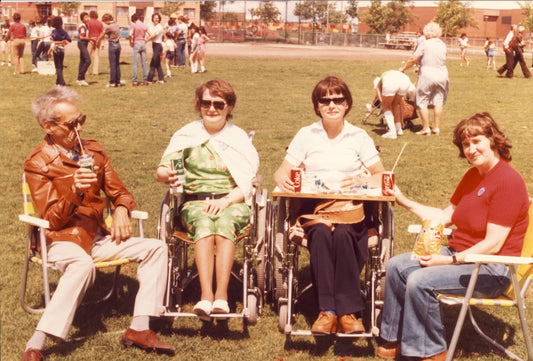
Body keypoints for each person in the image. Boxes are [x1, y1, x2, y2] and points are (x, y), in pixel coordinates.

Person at [21, 86, 175, 361]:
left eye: (82, 120)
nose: (79, 129)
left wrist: (122, 210)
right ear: (49, 126)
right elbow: (52, 219)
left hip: (96, 238)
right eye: (72, 124)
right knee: (82, 264)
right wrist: (75, 191)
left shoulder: (93, 151)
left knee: (156, 248)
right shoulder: (38, 163)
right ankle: (37, 343)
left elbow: (122, 193)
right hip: (60, 240)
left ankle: (140, 327)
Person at [377, 112, 529, 361]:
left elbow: (493, 245)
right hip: (462, 256)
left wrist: (448, 261)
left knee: (419, 280)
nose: (471, 149)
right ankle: (393, 339)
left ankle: (431, 352)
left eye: (476, 141)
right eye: (466, 144)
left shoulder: (508, 182)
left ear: (492, 140)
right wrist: (402, 200)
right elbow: (444, 215)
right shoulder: (473, 176)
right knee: (396, 266)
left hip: (493, 269)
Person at [273, 76, 386, 335]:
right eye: (325, 100)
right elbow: (281, 172)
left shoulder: (359, 136)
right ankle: (329, 312)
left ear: (347, 104)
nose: (332, 105)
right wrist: (285, 182)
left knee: (346, 234)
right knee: (322, 234)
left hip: (351, 207)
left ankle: (348, 313)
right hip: (316, 208)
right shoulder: (306, 134)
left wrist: (363, 178)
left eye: (338, 99)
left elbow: (380, 175)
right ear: (317, 105)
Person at [156, 79, 259, 320]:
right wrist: (167, 175)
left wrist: (225, 202)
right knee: (204, 223)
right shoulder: (187, 135)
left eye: (218, 104)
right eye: (205, 103)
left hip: (233, 201)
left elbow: (248, 181)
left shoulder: (238, 138)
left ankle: (221, 297)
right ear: (198, 105)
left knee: (223, 224)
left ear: (229, 107)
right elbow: (161, 170)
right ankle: (206, 296)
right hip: (194, 202)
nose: (211, 109)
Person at [400, 22, 448, 136]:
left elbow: (413, 59)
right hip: (442, 73)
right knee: (438, 100)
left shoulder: (425, 43)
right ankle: (436, 127)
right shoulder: (442, 44)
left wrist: (404, 68)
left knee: (422, 100)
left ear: (427, 32)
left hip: (427, 74)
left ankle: (425, 128)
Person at [372, 70, 416, 139]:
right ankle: (398, 129)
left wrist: (384, 104)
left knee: (387, 107)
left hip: (392, 82)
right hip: (405, 81)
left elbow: (378, 94)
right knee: (396, 104)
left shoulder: (379, 82)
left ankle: (392, 132)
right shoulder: (387, 75)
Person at [99, 13, 122, 87]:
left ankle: (112, 82)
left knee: (112, 64)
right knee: (117, 64)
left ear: (107, 20)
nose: (104, 23)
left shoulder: (108, 27)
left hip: (112, 44)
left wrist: (97, 41)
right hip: (118, 44)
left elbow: (102, 34)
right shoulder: (117, 25)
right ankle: (118, 82)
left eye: (104, 21)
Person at [49, 16, 71, 86]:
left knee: (57, 67)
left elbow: (51, 41)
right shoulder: (64, 31)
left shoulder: (54, 31)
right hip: (62, 50)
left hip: (56, 50)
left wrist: (58, 43)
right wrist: (62, 42)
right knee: (60, 66)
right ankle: (58, 81)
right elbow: (69, 40)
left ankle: (62, 82)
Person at [130, 13, 149, 86]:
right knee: (144, 63)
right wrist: (146, 40)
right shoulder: (144, 25)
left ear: (134, 20)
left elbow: (130, 34)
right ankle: (145, 80)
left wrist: (130, 42)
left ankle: (134, 81)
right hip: (143, 43)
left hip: (136, 43)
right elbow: (150, 33)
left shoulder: (133, 25)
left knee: (135, 63)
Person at [146, 13, 165, 84]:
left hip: (158, 45)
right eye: (155, 18)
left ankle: (149, 80)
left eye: (157, 18)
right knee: (157, 63)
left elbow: (153, 35)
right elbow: (149, 33)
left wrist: (146, 40)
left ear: (159, 19)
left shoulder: (159, 27)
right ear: (152, 19)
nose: (156, 19)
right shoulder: (152, 26)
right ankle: (161, 79)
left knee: (153, 63)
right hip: (154, 45)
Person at [76, 12, 93, 86]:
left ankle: (79, 79)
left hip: (84, 43)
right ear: (82, 19)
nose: (87, 18)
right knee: (88, 60)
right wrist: (91, 38)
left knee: (82, 61)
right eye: (85, 17)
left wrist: (90, 40)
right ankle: (81, 77)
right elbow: (82, 37)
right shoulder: (82, 26)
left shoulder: (86, 25)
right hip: (81, 44)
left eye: (88, 17)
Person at [87, 10, 103, 76]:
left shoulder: (88, 22)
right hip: (98, 40)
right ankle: (95, 71)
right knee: (96, 56)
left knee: (88, 56)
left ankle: (86, 71)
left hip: (90, 39)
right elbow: (102, 33)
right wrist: (101, 41)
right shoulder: (100, 23)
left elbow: (87, 32)